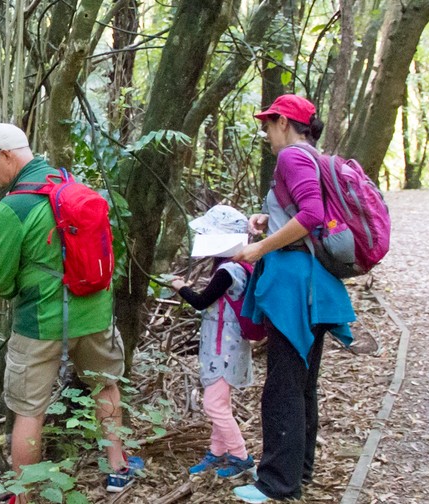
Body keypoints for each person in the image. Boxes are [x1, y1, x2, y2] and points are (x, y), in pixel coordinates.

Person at [0, 123, 143, 496]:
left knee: (29, 410)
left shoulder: (13, 207)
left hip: (41, 323)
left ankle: (23, 494)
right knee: (105, 385)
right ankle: (118, 470)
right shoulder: (72, 185)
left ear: (7, 155)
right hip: (94, 313)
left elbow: (0, 280)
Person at [230, 95, 356, 503]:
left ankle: (276, 483)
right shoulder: (311, 157)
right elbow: (302, 214)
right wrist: (269, 219)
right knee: (300, 382)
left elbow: (313, 215)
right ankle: (298, 470)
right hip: (313, 285)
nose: (266, 133)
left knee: (283, 386)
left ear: (283, 122)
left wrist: (259, 247)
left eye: (268, 125)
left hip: (294, 288)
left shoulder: (291, 158)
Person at [170, 205, 257, 479]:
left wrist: (179, 286)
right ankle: (217, 452)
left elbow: (201, 301)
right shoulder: (240, 265)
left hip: (223, 347)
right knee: (221, 402)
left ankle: (241, 456)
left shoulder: (227, 271)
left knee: (213, 405)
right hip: (225, 345)